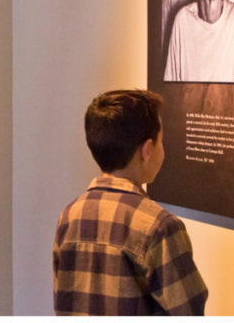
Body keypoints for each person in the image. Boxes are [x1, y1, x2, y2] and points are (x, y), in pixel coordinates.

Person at [53, 90, 208, 315]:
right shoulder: (160, 226)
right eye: (161, 142)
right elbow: (190, 312)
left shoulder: (69, 216)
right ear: (147, 150)